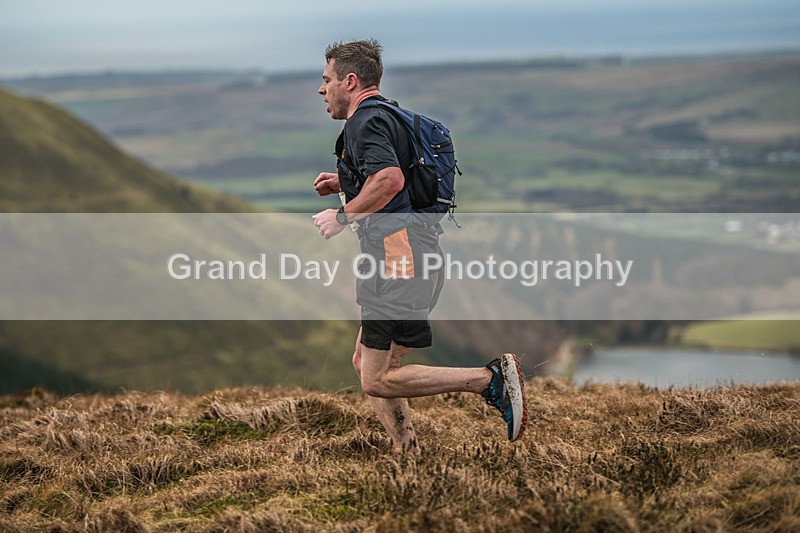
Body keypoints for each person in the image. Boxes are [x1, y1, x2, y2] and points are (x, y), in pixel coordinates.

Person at [312, 39, 526, 453]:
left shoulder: (363, 123)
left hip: (398, 257)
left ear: (350, 81)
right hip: (414, 251)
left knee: (375, 378)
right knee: (369, 364)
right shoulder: (391, 116)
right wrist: (347, 182)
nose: (322, 90)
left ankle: (489, 379)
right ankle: (405, 450)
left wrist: (342, 216)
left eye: (327, 80)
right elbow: (399, 177)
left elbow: (390, 180)